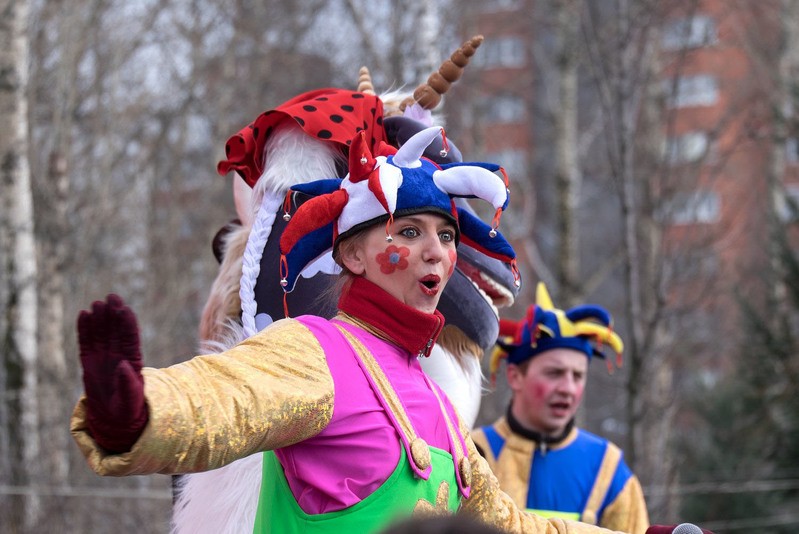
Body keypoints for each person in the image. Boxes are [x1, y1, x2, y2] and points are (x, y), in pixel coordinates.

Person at [70, 126, 629, 533]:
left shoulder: (437, 406)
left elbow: (512, 528)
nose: (435, 252)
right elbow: (220, 404)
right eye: (408, 231)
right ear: (353, 255)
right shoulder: (317, 352)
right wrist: (133, 413)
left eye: (447, 236)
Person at [472, 283, 649, 534]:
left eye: (578, 376)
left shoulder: (608, 469)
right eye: (554, 373)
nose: (567, 388)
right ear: (515, 376)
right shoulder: (473, 453)